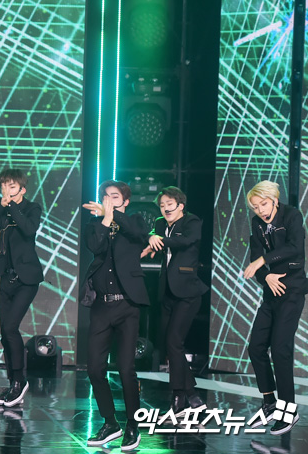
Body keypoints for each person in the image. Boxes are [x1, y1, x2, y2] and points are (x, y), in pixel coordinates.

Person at [80, 180, 148, 451]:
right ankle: (110, 423)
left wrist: (113, 215)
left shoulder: (135, 220)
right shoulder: (94, 224)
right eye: (105, 197)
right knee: (95, 368)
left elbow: (137, 233)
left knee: (125, 367)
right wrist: (105, 219)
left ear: (125, 201)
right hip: (101, 306)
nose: (109, 200)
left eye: (115, 197)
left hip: (127, 305)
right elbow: (95, 247)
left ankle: (133, 424)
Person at [243, 180, 308, 435]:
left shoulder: (292, 216)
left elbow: (294, 247)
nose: (260, 210)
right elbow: (255, 258)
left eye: (263, 204)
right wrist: (266, 276)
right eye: (255, 207)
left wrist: (263, 261)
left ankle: (289, 410)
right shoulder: (256, 223)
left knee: (280, 349)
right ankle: (270, 403)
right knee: (256, 347)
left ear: (274, 200)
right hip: (271, 291)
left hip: (292, 289)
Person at [141, 186, 208, 418]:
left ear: (180, 205)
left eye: (169, 204)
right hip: (167, 291)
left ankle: (184, 396)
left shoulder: (192, 222)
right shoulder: (160, 224)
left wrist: (159, 240)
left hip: (188, 291)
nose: (165, 209)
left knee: (174, 341)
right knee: (170, 345)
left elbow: (186, 241)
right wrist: (150, 237)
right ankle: (185, 396)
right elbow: (150, 235)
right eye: (162, 205)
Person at [0, 168, 43, 408]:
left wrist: (11, 206)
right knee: (5, 333)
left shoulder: (32, 208)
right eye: (3, 186)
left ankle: (19, 382)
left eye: (11, 186)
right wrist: (1, 206)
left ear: (22, 189)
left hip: (26, 279)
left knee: (10, 328)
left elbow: (29, 229)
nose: (6, 190)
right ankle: (13, 384)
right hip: (6, 277)